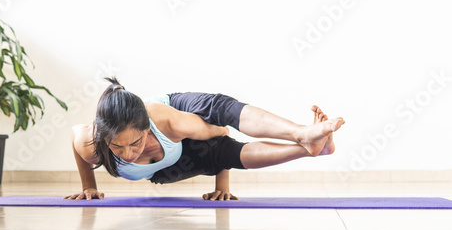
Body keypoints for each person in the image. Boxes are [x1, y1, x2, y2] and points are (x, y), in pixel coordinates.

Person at [64, 78, 345, 201]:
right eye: (117, 147)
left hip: (182, 112)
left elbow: (219, 128)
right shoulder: (90, 142)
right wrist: (88, 185)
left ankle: (304, 136)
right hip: (167, 167)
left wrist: (221, 183)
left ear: (147, 128)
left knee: (220, 113)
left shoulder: (171, 120)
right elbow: (77, 138)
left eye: (135, 143)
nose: (127, 154)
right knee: (218, 153)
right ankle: (309, 150)